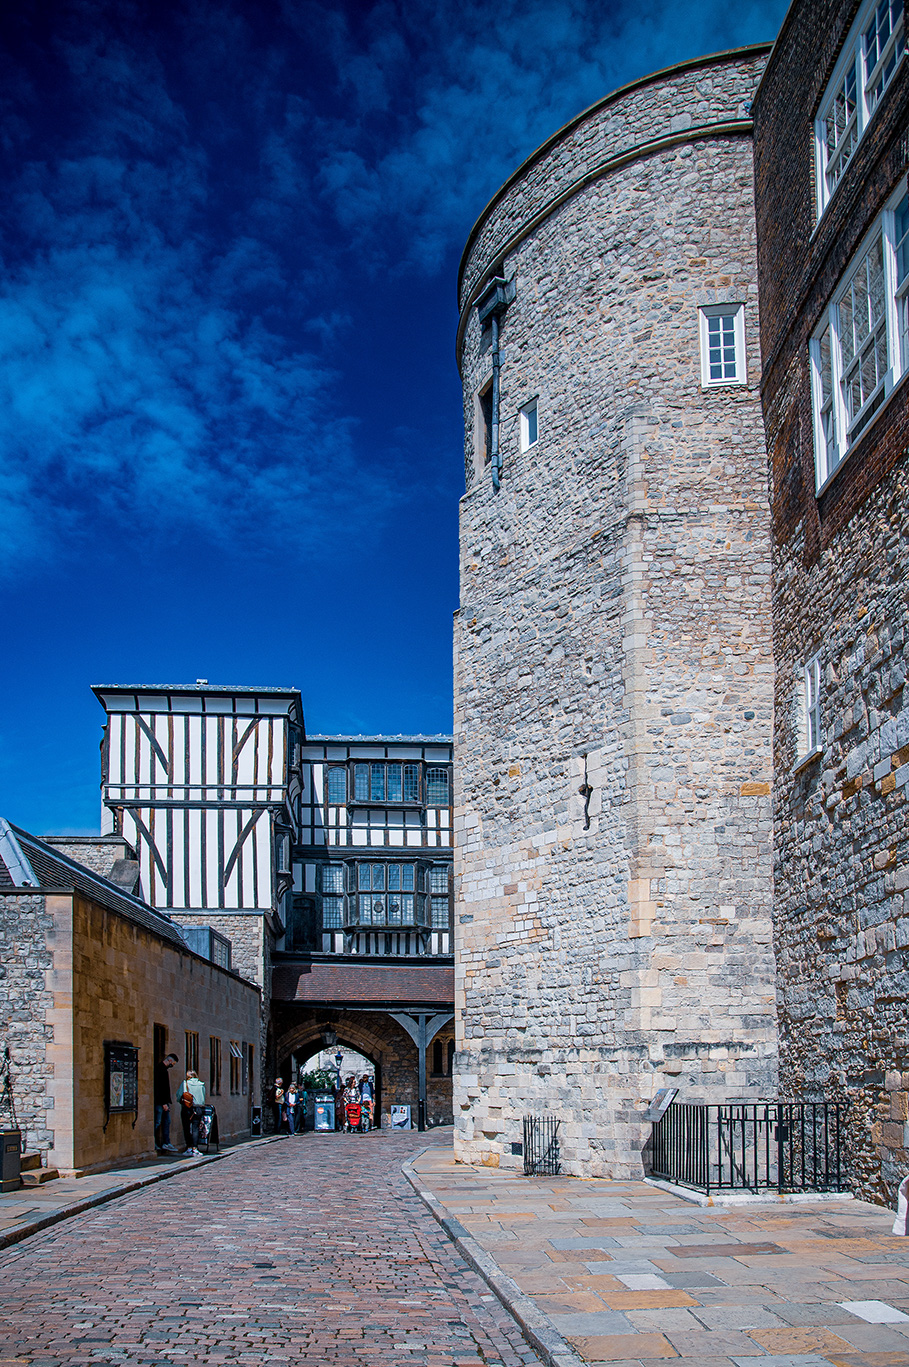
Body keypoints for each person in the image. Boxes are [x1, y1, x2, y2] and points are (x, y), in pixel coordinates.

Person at [154, 1053, 179, 1153]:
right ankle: (154, 1142)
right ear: (169, 1061)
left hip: (164, 1102)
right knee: (157, 1122)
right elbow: (159, 1087)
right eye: (172, 1063)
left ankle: (166, 1142)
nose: (172, 1065)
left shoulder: (164, 1070)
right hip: (160, 1102)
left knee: (166, 1122)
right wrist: (164, 1102)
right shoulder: (160, 1069)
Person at [178, 1068, 206, 1155]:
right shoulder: (201, 1084)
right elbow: (203, 1097)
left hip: (187, 1108)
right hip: (198, 1108)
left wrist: (180, 1101)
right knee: (195, 1128)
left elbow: (179, 1095)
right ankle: (195, 1147)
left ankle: (189, 1147)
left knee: (186, 1128)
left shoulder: (185, 1083)